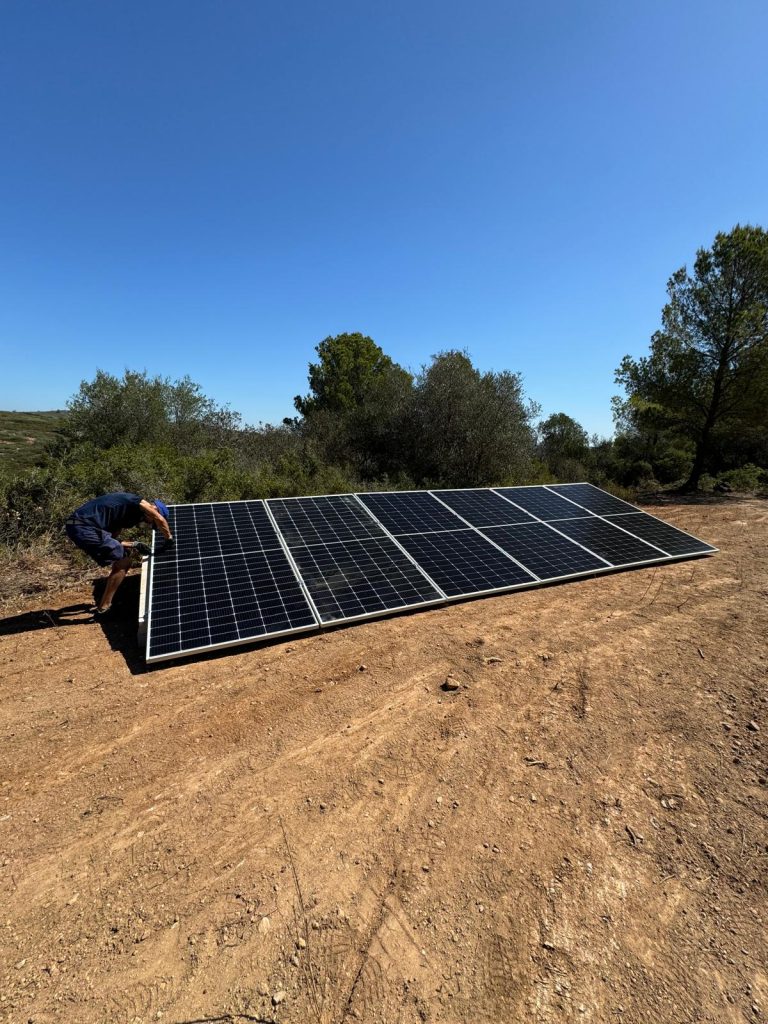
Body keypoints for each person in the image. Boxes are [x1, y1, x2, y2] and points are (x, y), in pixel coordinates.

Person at [64, 492, 174, 615]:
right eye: (151, 522)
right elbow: (160, 519)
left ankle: (105, 602)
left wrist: (135, 544)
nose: (149, 524)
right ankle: (104, 608)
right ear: (154, 509)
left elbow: (111, 538)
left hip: (79, 526)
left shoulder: (125, 517)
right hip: (84, 527)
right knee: (124, 562)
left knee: (122, 555)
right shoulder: (137, 501)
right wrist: (168, 539)